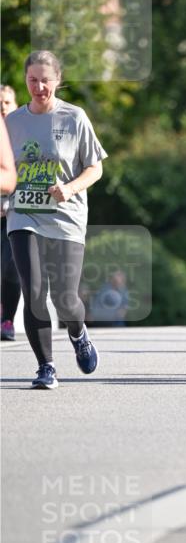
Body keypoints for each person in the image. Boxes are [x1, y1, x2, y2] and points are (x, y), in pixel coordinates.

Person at [5, 51, 106, 389]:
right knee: (33, 291)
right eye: (32, 80)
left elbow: (96, 167)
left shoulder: (74, 118)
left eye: (45, 80)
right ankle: (45, 366)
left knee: (65, 298)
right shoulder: (12, 123)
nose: (39, 86)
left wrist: (71, 187)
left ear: (58, 80)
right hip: (24, 216)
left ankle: (78, 332)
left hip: (66, 217)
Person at [1, 86, 20, 340]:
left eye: (7, 102)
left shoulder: (23, 135)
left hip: (15, 212)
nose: (3, 106)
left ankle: (7, 320)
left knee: (12, 268)